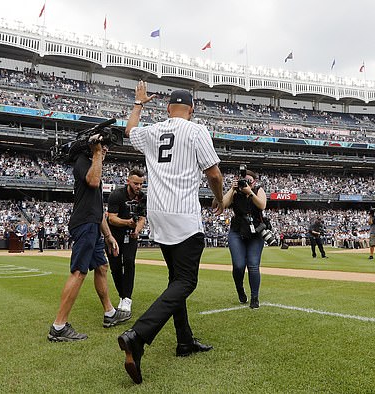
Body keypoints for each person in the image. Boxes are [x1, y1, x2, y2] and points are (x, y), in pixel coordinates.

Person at [117, 82, 224, 384]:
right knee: (186, 281)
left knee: (176, 279)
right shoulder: (196, 130)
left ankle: (184, 341)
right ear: (192, 109)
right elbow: (214, 172)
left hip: (158, 214)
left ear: (167, 109)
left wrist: (138, 103)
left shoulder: (153, 131)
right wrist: (217, 197)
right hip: (184, 213)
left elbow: (129, 132)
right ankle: (139, 335)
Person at [47, 137, 126, 343]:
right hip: (85, 225)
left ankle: (109, 313)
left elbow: (98, 209)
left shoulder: (93, 165)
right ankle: (59, 326)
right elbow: (93, 181)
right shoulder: (84, 161)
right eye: (103, 147)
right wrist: (96, 153)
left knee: (101, 267)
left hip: (92, 224)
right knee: (79, 272)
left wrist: (108, 235)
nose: (105, 150)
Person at [222, 167, 267, 309]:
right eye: (243, 181)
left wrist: (250, 193)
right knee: (239, 265)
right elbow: (223, 204)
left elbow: (262, 205)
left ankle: (255, 297)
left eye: (249, 181)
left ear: (254, 182)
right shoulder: (235, 193)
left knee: (253, 265)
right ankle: (240, 289)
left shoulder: (258, 190)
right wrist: (232, 189)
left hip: (255, 232)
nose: (245, 183)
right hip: (237, 230)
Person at [106, 168, 147, 320]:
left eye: (141, 184)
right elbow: (111, 218)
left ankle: (127, 298)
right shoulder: (116, 195)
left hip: (131, 236)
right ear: (128, 181)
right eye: (136, 183)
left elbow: (142, 218)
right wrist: (127, 223)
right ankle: (123, 296)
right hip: (114, 236)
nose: (139, 187)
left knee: (129, 262)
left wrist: (137, 229)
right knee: (116, 267)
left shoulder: (142, 197)